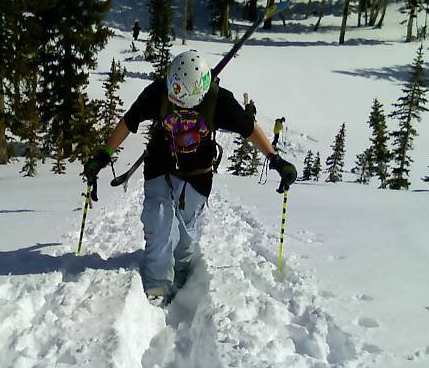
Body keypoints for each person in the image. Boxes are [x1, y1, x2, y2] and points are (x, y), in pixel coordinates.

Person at [83, 50, 297, 304]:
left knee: (185, 236)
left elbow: (249, 128)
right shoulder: (158, 92)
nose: (178, 105)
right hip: (159, 167)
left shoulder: (220, 101)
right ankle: (156, 287)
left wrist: (275, 159)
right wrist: (104, 154)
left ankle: (181, 278)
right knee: (159, 222)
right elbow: (129, 121)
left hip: (197, 176)